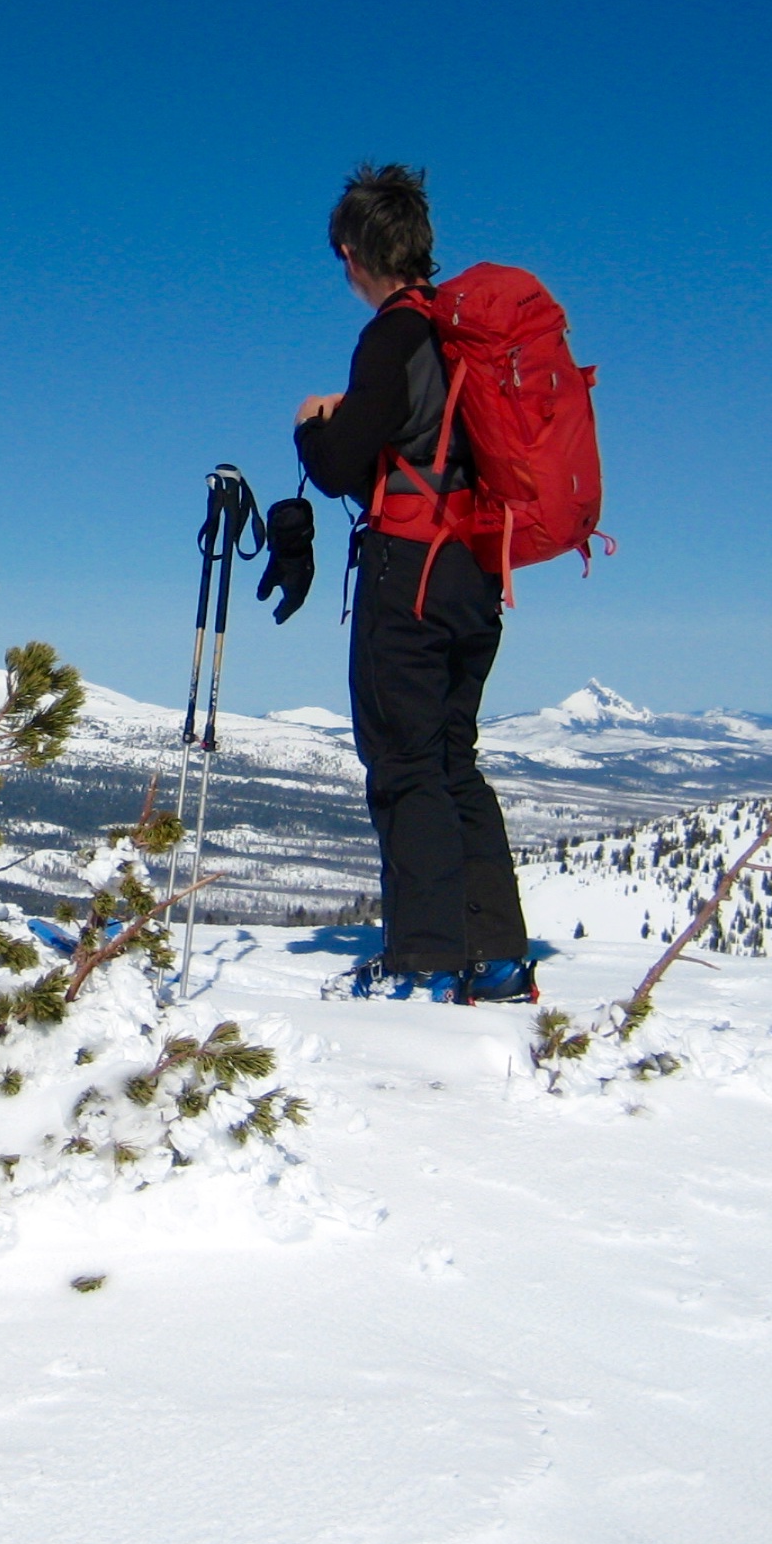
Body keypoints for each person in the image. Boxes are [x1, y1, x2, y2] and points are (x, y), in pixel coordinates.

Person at [290, 164, 536, 1004]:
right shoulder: (462, 332)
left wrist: (310, 426)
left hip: (411, 573)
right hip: (476, 571)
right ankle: (496, 955)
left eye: (342, 259)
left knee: (402, 762)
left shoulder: (392, 336)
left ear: (356, 253)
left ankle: (423, 961)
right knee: (451, 757)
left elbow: (338, 466)